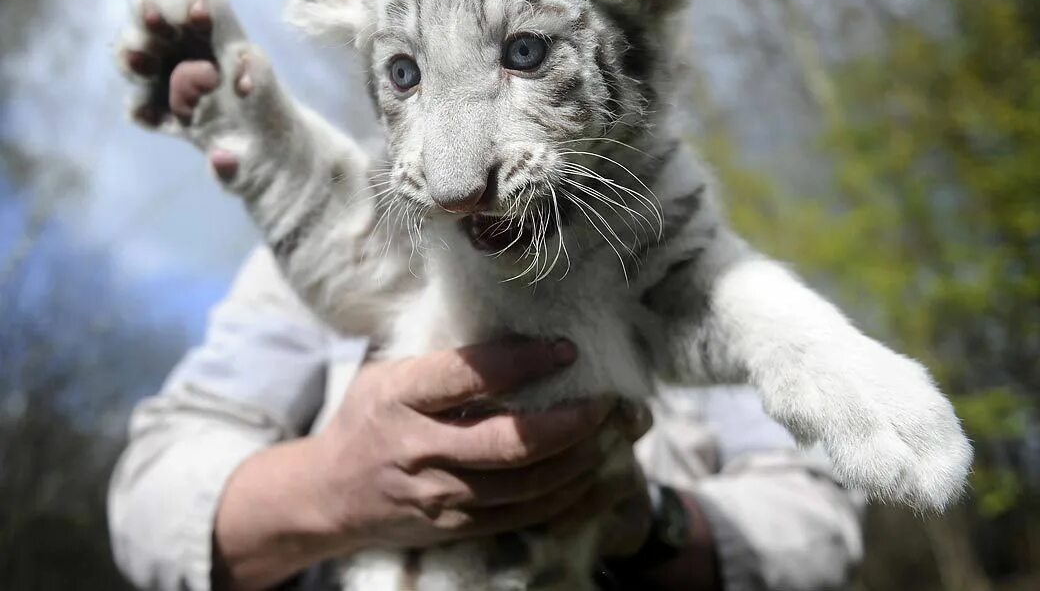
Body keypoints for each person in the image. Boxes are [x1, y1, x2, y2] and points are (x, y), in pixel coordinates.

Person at [108, 248, 864, 591]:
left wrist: (645, 523)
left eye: (525, 53)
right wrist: (334, 490)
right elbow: (151, 498)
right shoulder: (318, 247)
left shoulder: (692, 266)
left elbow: (818, 523)